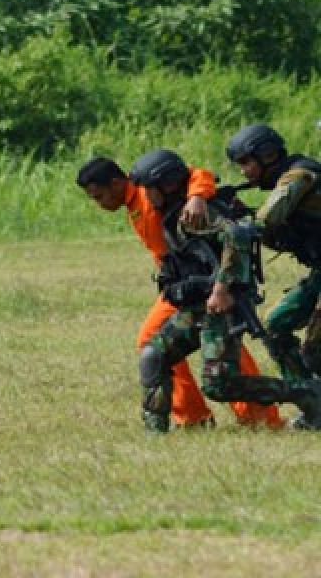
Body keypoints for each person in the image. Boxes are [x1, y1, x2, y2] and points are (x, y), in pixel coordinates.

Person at [76, 157, 280, 429]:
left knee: (216, 344)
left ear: (116, 183)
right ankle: (199, 416)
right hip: (181, 286)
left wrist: (196, 198)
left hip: (201, 281)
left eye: (99, 196)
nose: (99, 204)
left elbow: (199, 173)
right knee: (199, 343)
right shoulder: (134, 201)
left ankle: (250, 417)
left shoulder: (147, 190)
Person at [126, 149, 321, 432]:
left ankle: (304, 393)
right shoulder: (173, 211)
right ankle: (154, 433)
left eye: (149, 189)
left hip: (223, 306)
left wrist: (221, 289)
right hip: (197, 306)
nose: (145, 195)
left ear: (166, 185)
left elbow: (238, 235)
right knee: (153, 355)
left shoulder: (200, 212)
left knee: (219, 385)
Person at [217, 124, 321, 388]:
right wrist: (240, 215)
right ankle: (310, 401)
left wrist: (237, 224)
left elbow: (267, 220)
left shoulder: (300, 174)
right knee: (275, 326)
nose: (243, 172)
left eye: (245, 162)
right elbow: (280, 235)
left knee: (316, 350)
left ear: (268, 155)